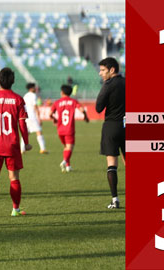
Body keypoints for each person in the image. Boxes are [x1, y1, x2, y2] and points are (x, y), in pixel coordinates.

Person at [0, 67, 32, 217]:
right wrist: (26, 142)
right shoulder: (18, 99)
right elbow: (22, 123)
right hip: (12, 144)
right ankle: (15, 209)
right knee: (14, 178)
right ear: (13, 81)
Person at [96, 57, 125, 209]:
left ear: (111, 70)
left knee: (112, 165)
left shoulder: (108, 85)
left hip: (111, 127)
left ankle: (115, 200)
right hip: (129, 125)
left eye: (102, 70)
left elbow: (98, 107)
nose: (100, 73)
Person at [50, 85, 89, 173]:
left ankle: (68, 166)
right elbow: (82, 110)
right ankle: (64, 161)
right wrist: (85, 117)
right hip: (69, 129)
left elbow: (50, 113)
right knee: (69, 147)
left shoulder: (57, 102)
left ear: (62, 92)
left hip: (60, 129)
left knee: (66, 147)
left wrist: (54, 119)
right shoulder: (73, 101)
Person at [22, 83, 47, 154]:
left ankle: (22, 149)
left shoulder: (25, 95)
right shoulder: (33, 95)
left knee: (26, 133)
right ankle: (43, 148)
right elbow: (35, 106)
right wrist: (39, 117)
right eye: (34, 87)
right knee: (39, 131)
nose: (35, 89)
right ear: (31, 88)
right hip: (33, 116)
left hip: (26, 117)